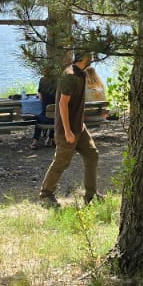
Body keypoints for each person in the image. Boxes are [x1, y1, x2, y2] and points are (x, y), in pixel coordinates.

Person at [39, 52, 101, 206]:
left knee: (92, 155)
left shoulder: (82, 74)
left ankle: (91, 195)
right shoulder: (70, 75)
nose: (92, 57)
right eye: (90, 55)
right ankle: (46, 194)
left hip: (79, 127)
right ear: (83, 58)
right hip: (67, 129)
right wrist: (67, 131)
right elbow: (62, 104)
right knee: (61, 161)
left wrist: (80, 125)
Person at [30, 72, 57, 149]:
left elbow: (41, 98)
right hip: (58, 119)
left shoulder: (43, 80)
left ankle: (35, 142)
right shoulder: (59, 81)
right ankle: (50, 139)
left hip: (46, 118)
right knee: (54, 115)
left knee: (39, 117)